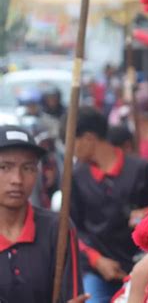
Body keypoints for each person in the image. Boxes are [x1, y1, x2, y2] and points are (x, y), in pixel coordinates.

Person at [67, 106, 148, 303]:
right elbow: (72, 229)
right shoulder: (75, 177)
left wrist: (147, 215)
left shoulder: (139, 168)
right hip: (97, 269)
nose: (69, 150)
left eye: (71, 142)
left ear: (89, 139)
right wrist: (97, 261)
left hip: (139, 265)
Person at [0, 125, 87, 303]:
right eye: (4, 167)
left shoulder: (58, 228)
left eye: (27, 168)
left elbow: (74, 297)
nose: (17, 179)